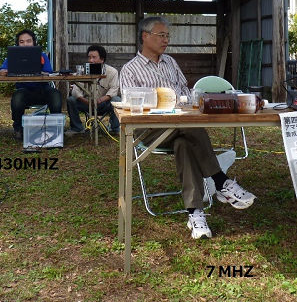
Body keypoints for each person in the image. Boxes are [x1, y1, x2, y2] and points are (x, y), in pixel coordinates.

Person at [120, 16, 256, 240]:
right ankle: (221, 181)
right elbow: (131, 106)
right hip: (150, 129)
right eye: (161, 35)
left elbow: (185, 92)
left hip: (180, 126)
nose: (166, 40)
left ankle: (195, 213)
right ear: (145, 36)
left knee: (184, 143)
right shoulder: (130, 70)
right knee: (190, 127)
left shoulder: (170, 63)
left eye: (167, 36)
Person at [0, 29, 62, 141]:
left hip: (43, 90)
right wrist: (5, 71)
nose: (25, 44)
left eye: (28, 41)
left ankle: (55, 128)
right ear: (17, 44)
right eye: (21, 42)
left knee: (55, 95)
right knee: (17, 97)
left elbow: (49, 73)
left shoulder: (42, 56)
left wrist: (39, 72)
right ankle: (18, 128)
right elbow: (1, 71)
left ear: (34, 42)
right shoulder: (13, 56)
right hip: (24, 90)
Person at [66, 44, 120, 135]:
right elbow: (75, 90)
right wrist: (86, 101)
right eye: (89, 57)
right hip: (87, 103)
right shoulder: (83, 71)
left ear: (102, 59)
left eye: (94, 57)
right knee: (71, 100)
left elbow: (114, 90)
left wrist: (100, 100)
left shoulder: (112, 72)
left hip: (104, 103)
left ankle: (114, 129)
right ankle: (77, 128)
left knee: (117, 100)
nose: (91, 60)